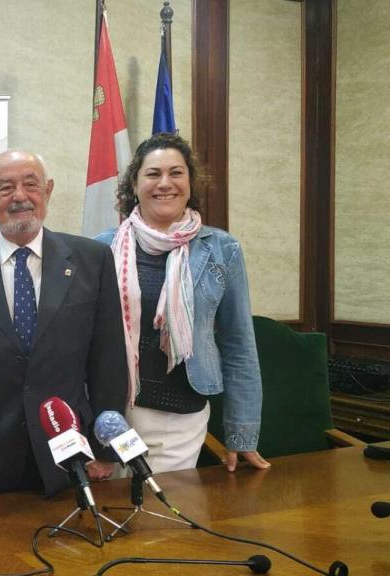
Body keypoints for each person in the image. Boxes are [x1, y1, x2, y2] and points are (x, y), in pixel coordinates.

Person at [0, 150, 127, 499]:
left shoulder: (93, 260)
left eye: (31, 184)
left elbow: (108, 362)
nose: (19, 197)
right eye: (5, 188)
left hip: (68, 448)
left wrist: (106, 448)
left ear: (48, 191)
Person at [94, 132, 269, 474]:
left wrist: (242, 434)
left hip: (180, 420)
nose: (165, 183)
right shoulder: (102, 248)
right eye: (153, 173)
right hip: (113, 413)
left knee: (165, 520)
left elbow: (238, 343)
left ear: (190, 182)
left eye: (176, 173)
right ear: (134, 183)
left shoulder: (222, 249)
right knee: (111, 517)